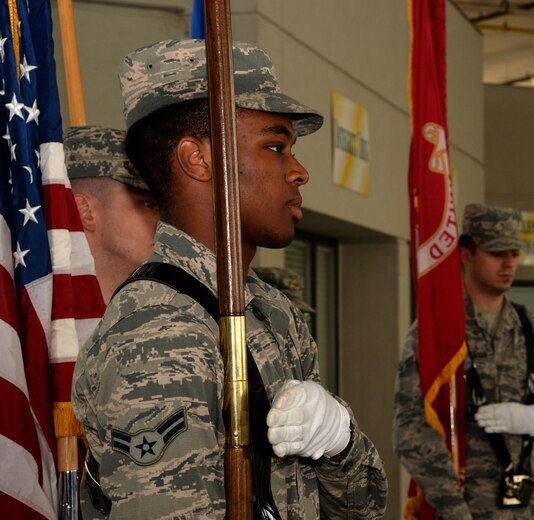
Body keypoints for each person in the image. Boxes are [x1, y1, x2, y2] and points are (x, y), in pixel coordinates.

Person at [71, 39, 387, 519]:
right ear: (198, 160)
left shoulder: (272, 312)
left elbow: (360, 509)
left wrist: (340, 443)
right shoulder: (158, 333)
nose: (299, 172)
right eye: (276, 147)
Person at [393, 203, 534, 519]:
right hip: (469, 505)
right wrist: (455, 508)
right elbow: (408, 429)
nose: (509, 263)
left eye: (514, 253)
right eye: (497, 253)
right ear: (466, 255)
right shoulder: (437, 333)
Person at [65, 125, 159, 304]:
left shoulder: (171, 313)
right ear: (85, 211)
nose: (164, 224)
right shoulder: (43, 323)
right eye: (148, 205)